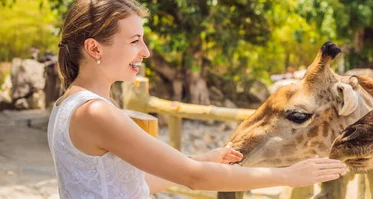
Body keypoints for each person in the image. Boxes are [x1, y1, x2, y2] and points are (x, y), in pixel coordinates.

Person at [48, 0, 346, 198]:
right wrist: (289, 176)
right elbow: (196, 179)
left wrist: (206, 157)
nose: (146, 52)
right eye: (134, 40)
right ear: (95, 49)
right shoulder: (96, 112)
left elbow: (134, 186)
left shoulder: (66, 105)